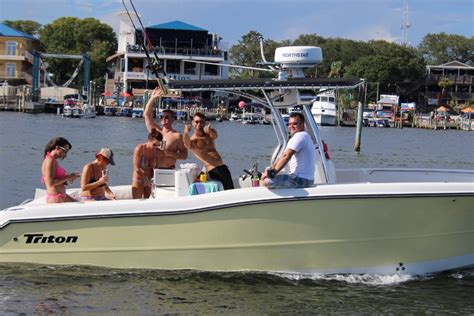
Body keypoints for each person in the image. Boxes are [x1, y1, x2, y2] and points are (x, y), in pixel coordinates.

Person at [261, 112, 315, 189]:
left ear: (302, 125)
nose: (291, 126)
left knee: (266, 181)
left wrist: (272, 173)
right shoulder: (304, 136)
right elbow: (282, 156)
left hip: (301, 179)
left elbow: (286, 156)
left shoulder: (300, 136)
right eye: (289, 124)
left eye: (295, 124)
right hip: (305, 179)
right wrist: (271, 169)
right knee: (267, 174)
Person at [183, 112, 234, 190]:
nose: (199, 124)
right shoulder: (193, 141)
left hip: (223, 168)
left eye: (201, 122)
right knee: (226, 193)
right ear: (193, 123)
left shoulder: (208, 135)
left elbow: (215, 136)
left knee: (231, 192)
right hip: (213, 170)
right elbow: (186, 144)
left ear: (204, 123)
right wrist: (186, 132)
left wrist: (211, 129)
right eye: (197, 122)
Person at [144, 88, 187, 169]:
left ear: (172, 119)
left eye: (166, 117)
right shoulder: (156, 132)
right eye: (162, 117)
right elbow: (147, 115)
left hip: (168, 169)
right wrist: (152, 98)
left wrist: (169, 153)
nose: (163, 119)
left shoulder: (177, 136)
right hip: (153, 170)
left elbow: (184, 155)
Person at [41, 137, 80, 203]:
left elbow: (56, 180)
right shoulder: (50, 161)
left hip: (60, 196)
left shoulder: (52, 160)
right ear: (57, 148)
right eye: (65, 151)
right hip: (56, 198)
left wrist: (69, 178)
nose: (65, 154)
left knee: (78, 203)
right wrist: (68, 177)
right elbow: (51, 183)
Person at [132, 128, 164, 199]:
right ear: (149, 140)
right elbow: (136, 168)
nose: (156, 147)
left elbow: (157, 168)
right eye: (154, 144)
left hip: (149, 181)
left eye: (158, 145)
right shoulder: (140, 148)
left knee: (147, 203)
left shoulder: (157, 152)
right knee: (136, 203)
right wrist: (146, 179)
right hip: (139, 179)